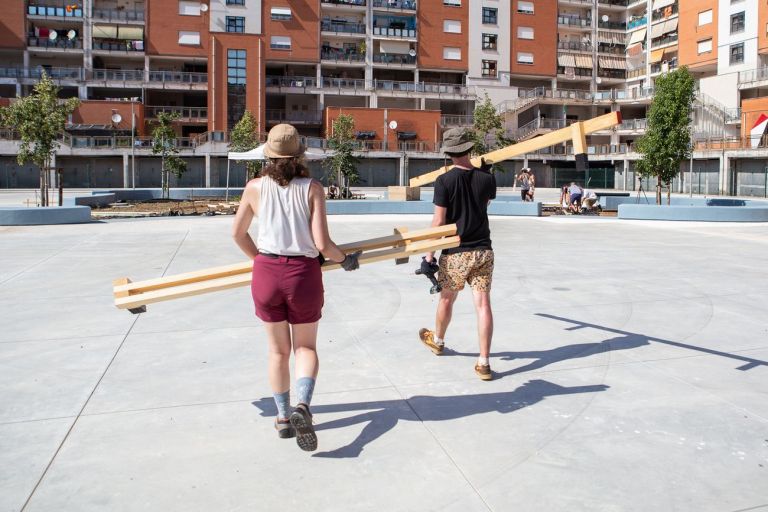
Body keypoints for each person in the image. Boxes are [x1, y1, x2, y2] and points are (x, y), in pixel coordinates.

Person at [232, 124, 361, 452]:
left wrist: (260, 259)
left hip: (266, 272)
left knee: (278, 352)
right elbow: (323, 244)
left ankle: (284, 418)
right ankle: (303, 405)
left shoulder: (254, 188)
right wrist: (345, 259)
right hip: (303, 274)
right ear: (300, 154)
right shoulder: (312, 188)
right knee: (305, 348)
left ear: (268, 155)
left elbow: (237, 233)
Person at [418, 128, 497, 380]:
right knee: (483, 304)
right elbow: (481, 207)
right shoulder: (487, 179)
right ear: (469, 148)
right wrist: (483, 173)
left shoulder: (444, 181)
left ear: (449, 152)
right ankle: (484, 362)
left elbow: (439, 222)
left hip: (456, 252)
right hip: (483, 249)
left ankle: (438, 340)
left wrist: (429, 256)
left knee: (446, 300)